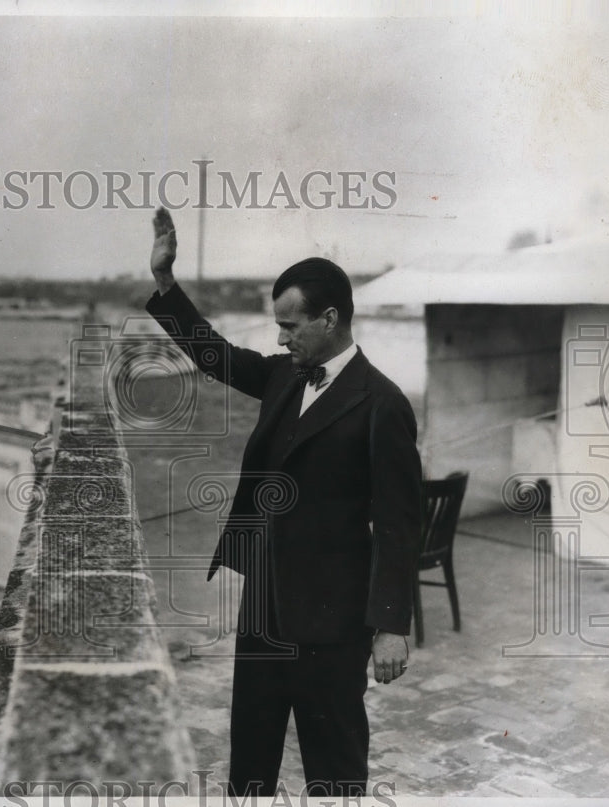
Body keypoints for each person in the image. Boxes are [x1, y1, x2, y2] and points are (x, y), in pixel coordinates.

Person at [144, 208, 422, 797]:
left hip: (335, 622)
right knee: (250, 758)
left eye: (291, 326)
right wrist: (167, 286)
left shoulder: (383, 404)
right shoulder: (285, 376)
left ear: (330, 318)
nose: (280, 338)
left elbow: (399, 523)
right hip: (265, 607)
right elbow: (215, 356)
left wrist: (391, 626)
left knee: (335, 768)